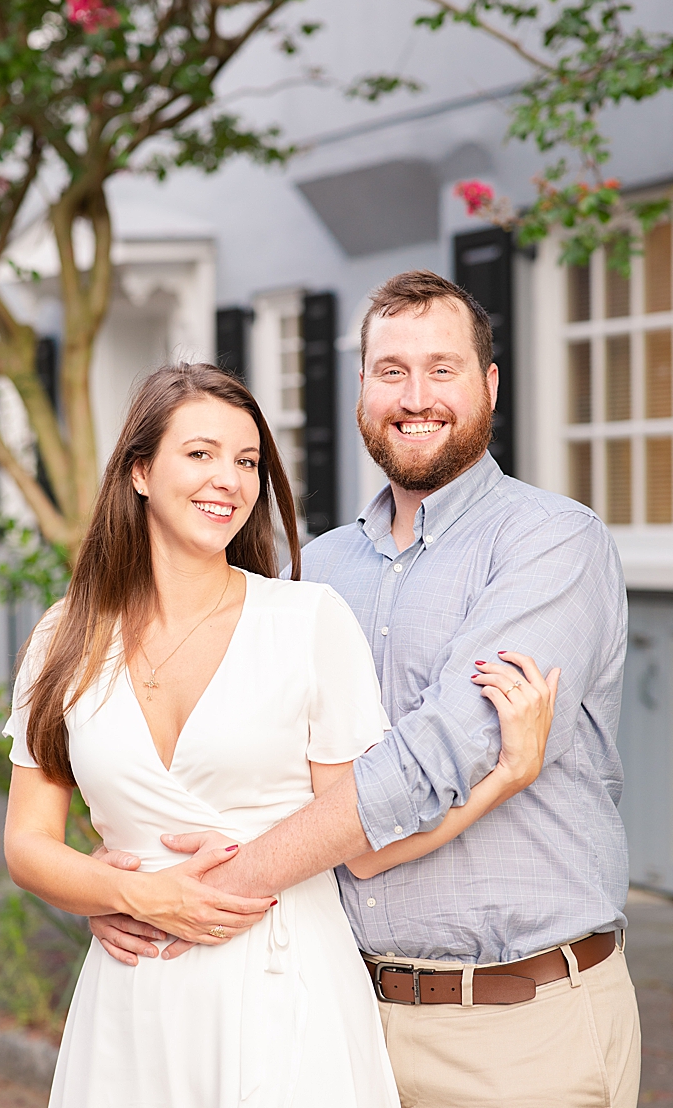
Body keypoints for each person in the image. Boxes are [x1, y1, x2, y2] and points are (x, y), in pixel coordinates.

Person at [90, 271, 638, 1107]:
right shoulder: (317, 572)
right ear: (361, 389)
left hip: (515, 1025)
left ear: (490, 385)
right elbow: (255, 766)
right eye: (390, 371)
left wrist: (196, 898)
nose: (415, 396)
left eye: (443, 369)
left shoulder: (552, 543)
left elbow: (441, 752)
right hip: (330, 1018)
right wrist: (128, 881)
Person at [2, 363, 557, 1107]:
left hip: (283, 987)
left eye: (247, 461)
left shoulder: (306, 623)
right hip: (132, 1000)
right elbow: (28, 844)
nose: (227, 480)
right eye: (200, 454)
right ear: (139, 470)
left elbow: (364, 846)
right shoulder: (63, 637)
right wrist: (126, 894)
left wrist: (508, 776)